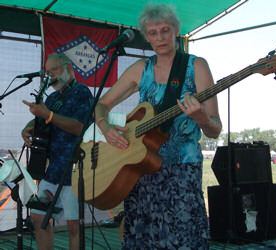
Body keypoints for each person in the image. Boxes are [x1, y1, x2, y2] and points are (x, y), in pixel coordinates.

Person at [95, 3, 222, 249]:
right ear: (146, 37)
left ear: (176, 30)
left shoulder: (196, 66)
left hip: (181, 171)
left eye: (165, 30)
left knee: (182, 239)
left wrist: (202, 118)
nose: (160, 37)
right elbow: (101, 105)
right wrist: (106, 128)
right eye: (152, 33)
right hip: (140, 168)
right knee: (143, 238)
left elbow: (215, 129)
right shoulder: (141, 69)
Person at [21, 53, 93, 249]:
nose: (51, 76)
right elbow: (41, 118)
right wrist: (28, 127)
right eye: (48, 72)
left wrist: (49, 115)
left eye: (55, 71)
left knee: (73, 226)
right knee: (38, 217)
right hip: (53, 169)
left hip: (75, 168)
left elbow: (80, 126)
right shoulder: (52, 97)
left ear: (69, 68)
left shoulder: (81, 92)